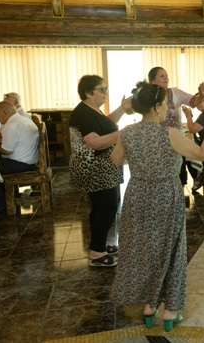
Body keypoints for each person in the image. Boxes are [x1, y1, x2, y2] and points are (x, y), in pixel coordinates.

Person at [110, 82, 204, 331]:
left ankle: (149, 305)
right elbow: (203, 154)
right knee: (171, 249)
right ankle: (170, 309)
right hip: (165, 195)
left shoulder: (127, 132)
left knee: (144, 250)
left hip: (137, 195)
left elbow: (116, 160)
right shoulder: (169, 134)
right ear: (158, 107)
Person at [69, 75, 132, 267]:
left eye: (106, 88)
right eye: (101, 89)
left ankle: (99, 244)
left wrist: (122, 108)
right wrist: (124, 132)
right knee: (107, 208)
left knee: (99, 208)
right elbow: (95, 142)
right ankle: (96, 253)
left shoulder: (91, 110)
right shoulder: (84, 113)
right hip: (94, 168)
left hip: (100, 167)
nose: (105, 93)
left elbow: (105, 125)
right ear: (88, 93)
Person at [148, 67, 204, 186]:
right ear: (152, 81)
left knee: (179, 172)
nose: (166, 78)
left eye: (166, 75)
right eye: (162, 76)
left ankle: (179, 193)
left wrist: (202, 95)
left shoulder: (176, 93)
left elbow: (193, 101)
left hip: (177, 139)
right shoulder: (147, 96)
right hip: (157, 140)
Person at [0, 101, 39, 214]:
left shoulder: (12, 126)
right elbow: (4, 137)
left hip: (20, 163)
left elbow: (7, 151)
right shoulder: (21, 120)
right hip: (29, 160)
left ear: (5, 112)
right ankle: (5, 196)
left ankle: (4, 204)